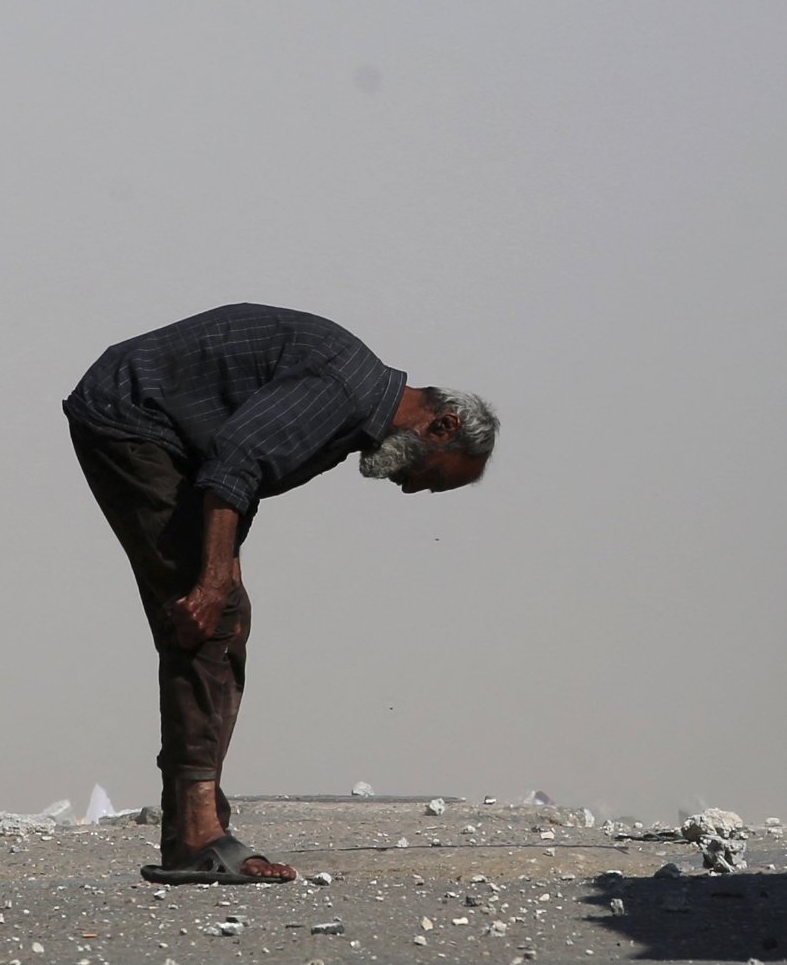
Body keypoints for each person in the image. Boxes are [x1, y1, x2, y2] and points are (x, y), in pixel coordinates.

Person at [63, 303, 498, 884]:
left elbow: (242, 474)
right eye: (435, 477)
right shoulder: (344, 392)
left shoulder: (350, 414)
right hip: (131, 416)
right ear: (440, 426)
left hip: (159, 431)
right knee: (208, 619)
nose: (414, 488)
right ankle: (197, 835)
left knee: (225, 616)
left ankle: (196, 826)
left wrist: (223, 571)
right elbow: (236, 460)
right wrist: (213, 578)